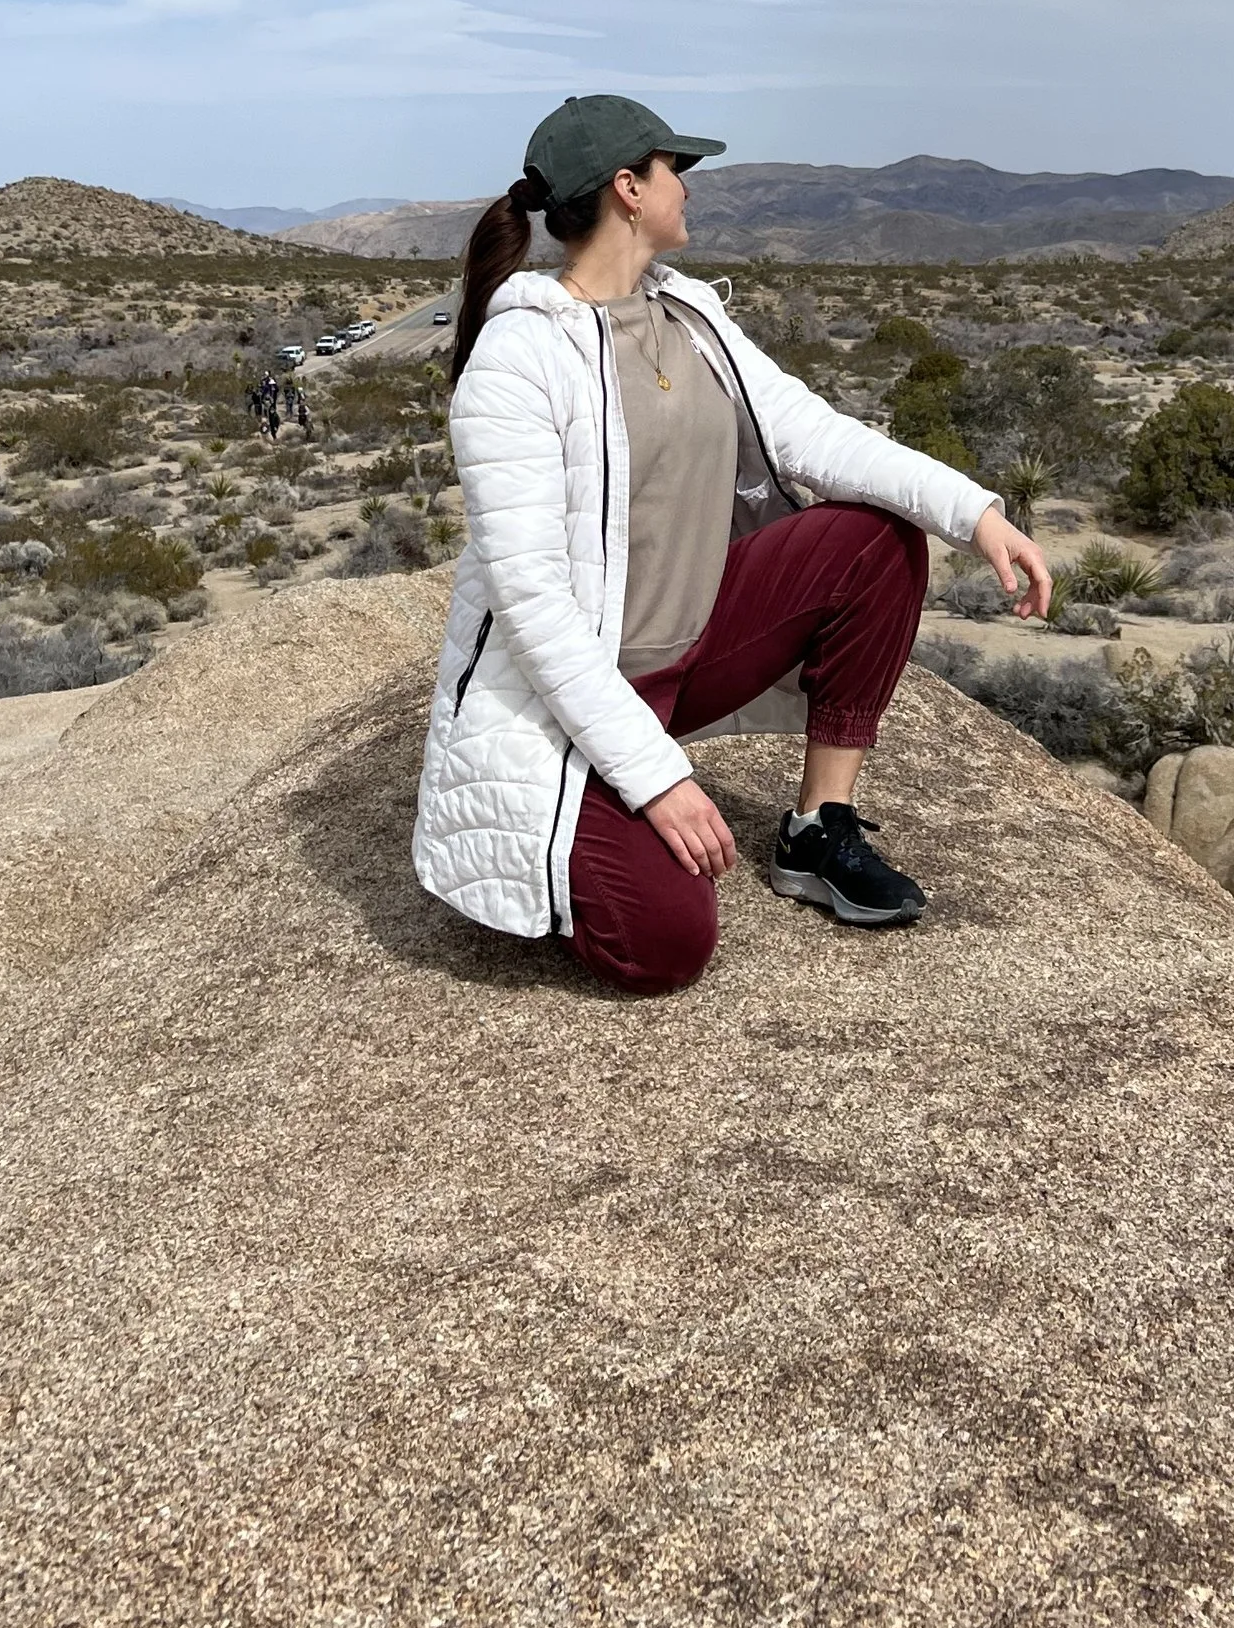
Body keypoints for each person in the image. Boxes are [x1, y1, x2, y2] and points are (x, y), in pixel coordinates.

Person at [412, 93, 1052, 996]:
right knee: (667, 943)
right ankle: (574, 848)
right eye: (677, 167)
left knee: (875, 542)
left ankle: (819, 827)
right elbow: (534, 611)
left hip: (692, 648)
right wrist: (657, 779)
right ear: (629, 189)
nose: (690, 185)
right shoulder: (518, 360)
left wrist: (976, 514)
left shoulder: (690, 314)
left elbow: (815, 434)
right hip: (573, 705)